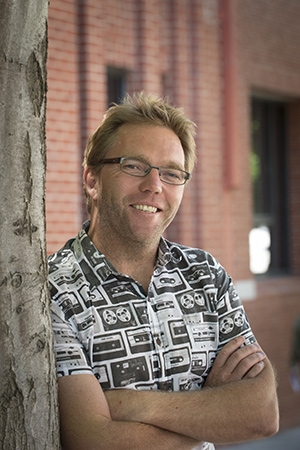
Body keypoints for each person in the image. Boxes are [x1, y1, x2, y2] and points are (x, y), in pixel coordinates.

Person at [49, 92, 279, 450]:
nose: (154, 186)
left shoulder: (206, 275)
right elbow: (92, 440)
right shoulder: (52, 291)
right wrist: (211, 409)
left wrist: (131, 405)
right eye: (133, 166)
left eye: (171, 173)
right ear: (92, 180)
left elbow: (262, 414)